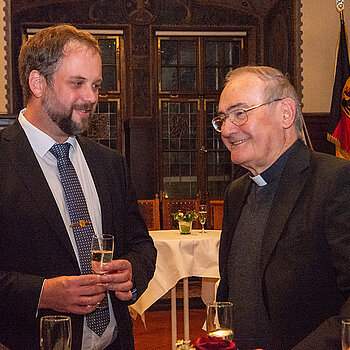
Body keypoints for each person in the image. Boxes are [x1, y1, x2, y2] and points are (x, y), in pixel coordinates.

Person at [0, 24, 156, 350]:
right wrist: (43, 293)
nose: (92, 97)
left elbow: (142, 245)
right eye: (77, 83)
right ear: (37, 83)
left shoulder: (109, 163)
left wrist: (132, 272)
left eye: (96, 84)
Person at [213, 65, 350, 350]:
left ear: (286, 113)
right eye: (222, 118)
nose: (227, 130)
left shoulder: (334, 181)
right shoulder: (236, 193)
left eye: (240, 113)